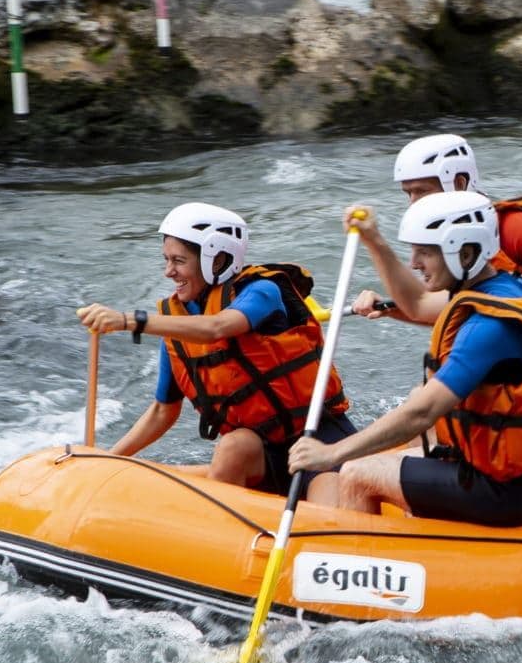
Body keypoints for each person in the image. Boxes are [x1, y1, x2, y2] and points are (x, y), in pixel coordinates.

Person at [290, 191, 522, 526]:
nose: (414, 262)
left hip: (505, 493)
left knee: (355, 472)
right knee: (394, 452)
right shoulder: (504, 288)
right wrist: (374, 240)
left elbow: (422, 413)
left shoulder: (489, 327)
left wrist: (331, 453)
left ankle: (358, 572)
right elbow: (417, 303)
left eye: (425, 252)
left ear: (464, 252)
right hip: (518, 477)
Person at [76, 202, 356, 492]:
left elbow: (217, 327)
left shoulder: (262, 291)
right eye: (166, 260)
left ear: (218, 259)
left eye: (178, 261)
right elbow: (163, 411)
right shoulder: (178, 323)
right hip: (262, 454)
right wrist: (107, 460)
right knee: (234, 444)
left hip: (320, 439)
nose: (168, 272)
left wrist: (128, 320)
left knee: (330, 510)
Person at [352, 133, 522, 324]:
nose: (414, 203)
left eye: (422, 191)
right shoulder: (446, 236)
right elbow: (441, 305)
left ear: (459, 182)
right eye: (408, 193)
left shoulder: (515, 226)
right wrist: (391, 307)